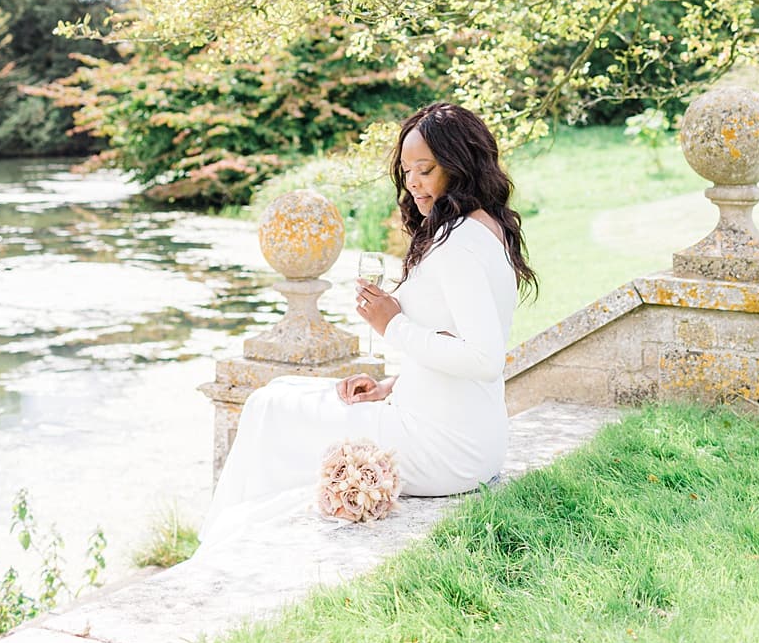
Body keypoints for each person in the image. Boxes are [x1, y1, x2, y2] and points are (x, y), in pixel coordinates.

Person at [198, 101, 538, 548]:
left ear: (460, 164)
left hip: (444, 449)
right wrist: (390, 386)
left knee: (268, 407)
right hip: (464, 435)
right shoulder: (483, 228)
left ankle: (229, 547)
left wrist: (391, 325)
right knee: (281, 391)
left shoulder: (458, 244)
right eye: (407, 171)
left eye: (425, 169)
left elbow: (484, 359)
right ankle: (235, 540)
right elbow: (453, 340)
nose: (412, 182)